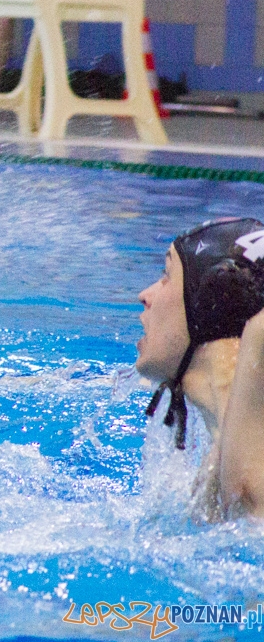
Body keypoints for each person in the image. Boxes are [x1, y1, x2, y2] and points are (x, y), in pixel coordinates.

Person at [136, 217, 264, 520]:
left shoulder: (252, 472)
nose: (145, 295)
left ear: (212, 300)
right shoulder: (211, 477)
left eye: (167, 276)